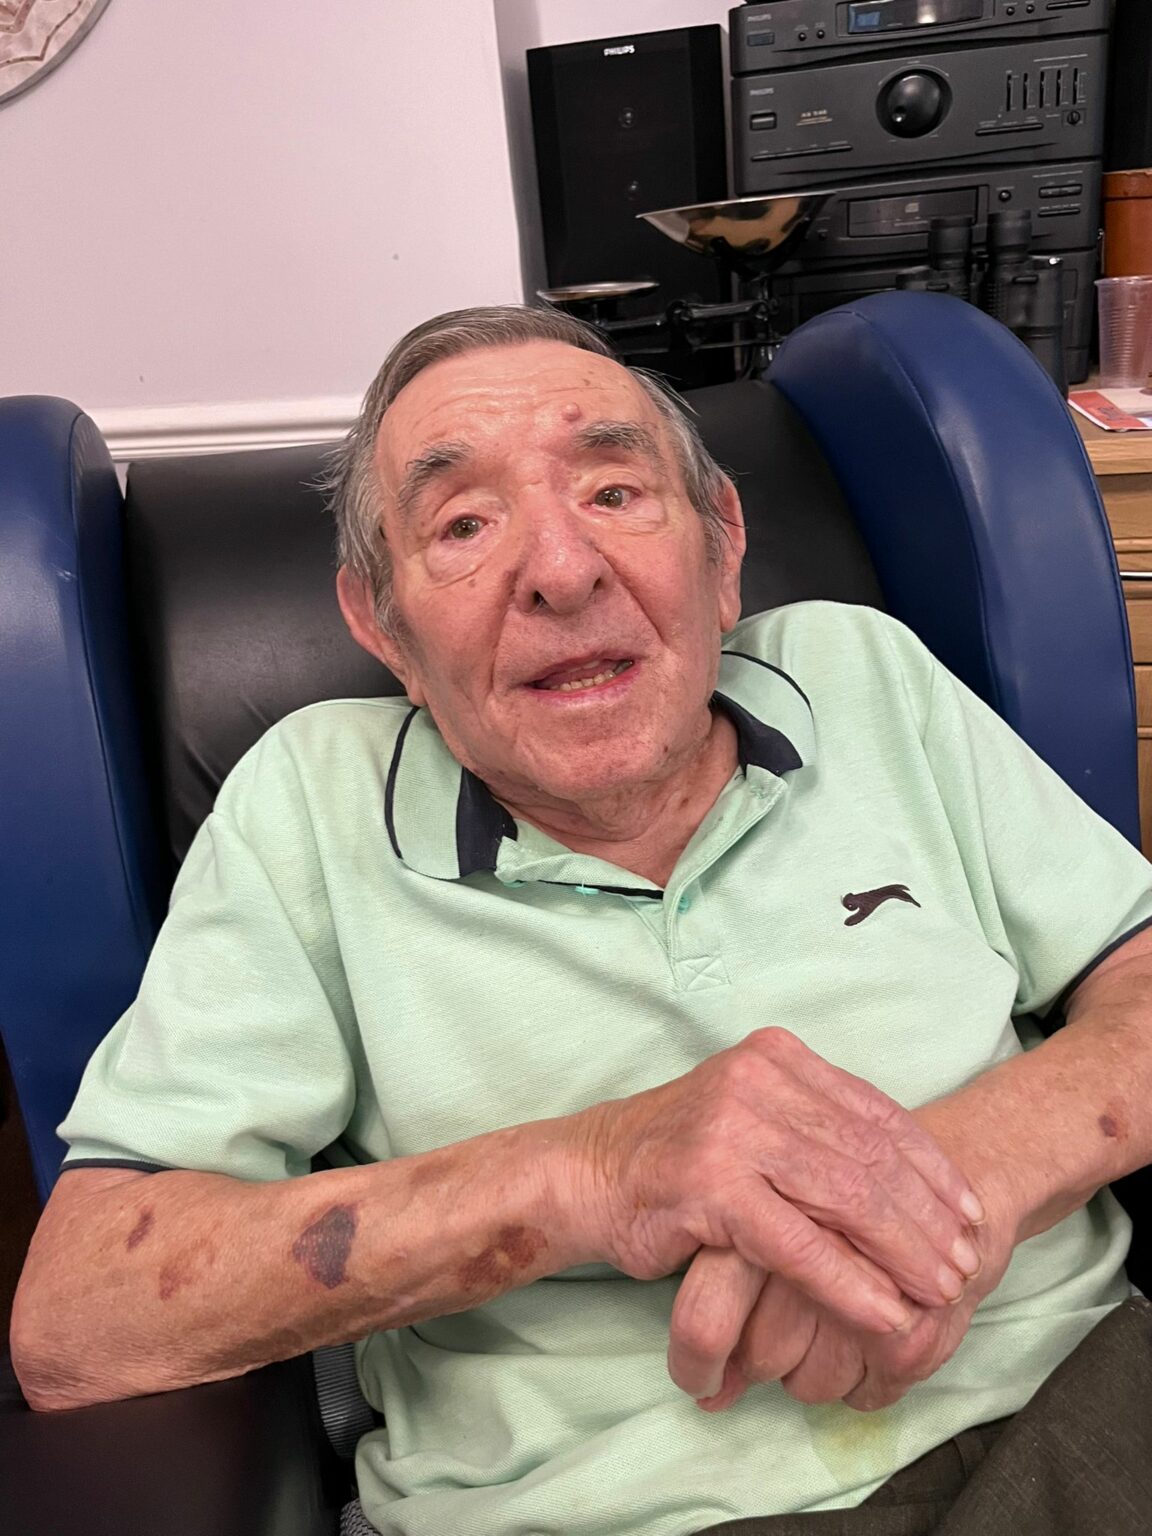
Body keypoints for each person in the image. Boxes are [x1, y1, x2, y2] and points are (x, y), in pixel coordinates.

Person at [11, 305, 1152, 1536]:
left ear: (722, 547)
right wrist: (595, 1173)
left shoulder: (863, 673)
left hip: (1086, 1413)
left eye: (614, 492)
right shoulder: (307, 805)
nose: (562, 570)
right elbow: (81, 1316)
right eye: (463, 524)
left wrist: (948, 1188)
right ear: (384, 625)